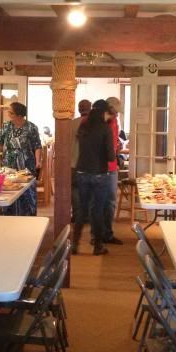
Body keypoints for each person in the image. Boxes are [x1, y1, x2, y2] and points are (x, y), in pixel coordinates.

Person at [73, 100, 116, 256]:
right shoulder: (105, 129)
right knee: (97, 211)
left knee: (81, 210)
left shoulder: (83, 126)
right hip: (99, 174)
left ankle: (74, 245)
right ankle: (98, 246)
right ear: (104, 112)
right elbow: (111, 157)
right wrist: (113, 150)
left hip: (82, 172)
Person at [0, 102, 42, 216]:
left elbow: (37, 146)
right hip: (9, 162)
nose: (8, 114)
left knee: (26, 190)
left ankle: (28, 215)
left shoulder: (31, 127)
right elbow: (0, 141)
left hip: (26, 164)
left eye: (11, 112)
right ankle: (8, 215)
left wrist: (38, 161)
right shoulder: (6, 126)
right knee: (8, 188)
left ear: (19, 115)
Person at [102, 96, 124, 245]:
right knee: (99, 201)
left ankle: (107, 234)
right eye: (115, 111)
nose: (116, 114)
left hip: (111, 166)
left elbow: (114, 141)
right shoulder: (99, 122)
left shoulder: (114, 121)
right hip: (100, 167)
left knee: (110, 202)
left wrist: (117, 150)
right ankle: (97, 236)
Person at [70, 99, 92, 222]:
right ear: (90, 108)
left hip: (73, 163)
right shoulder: (95, 123)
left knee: (75, 190)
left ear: (79, 109)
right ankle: (87, 216)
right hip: (89, 164)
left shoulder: (71, 124)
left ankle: (77, 215)